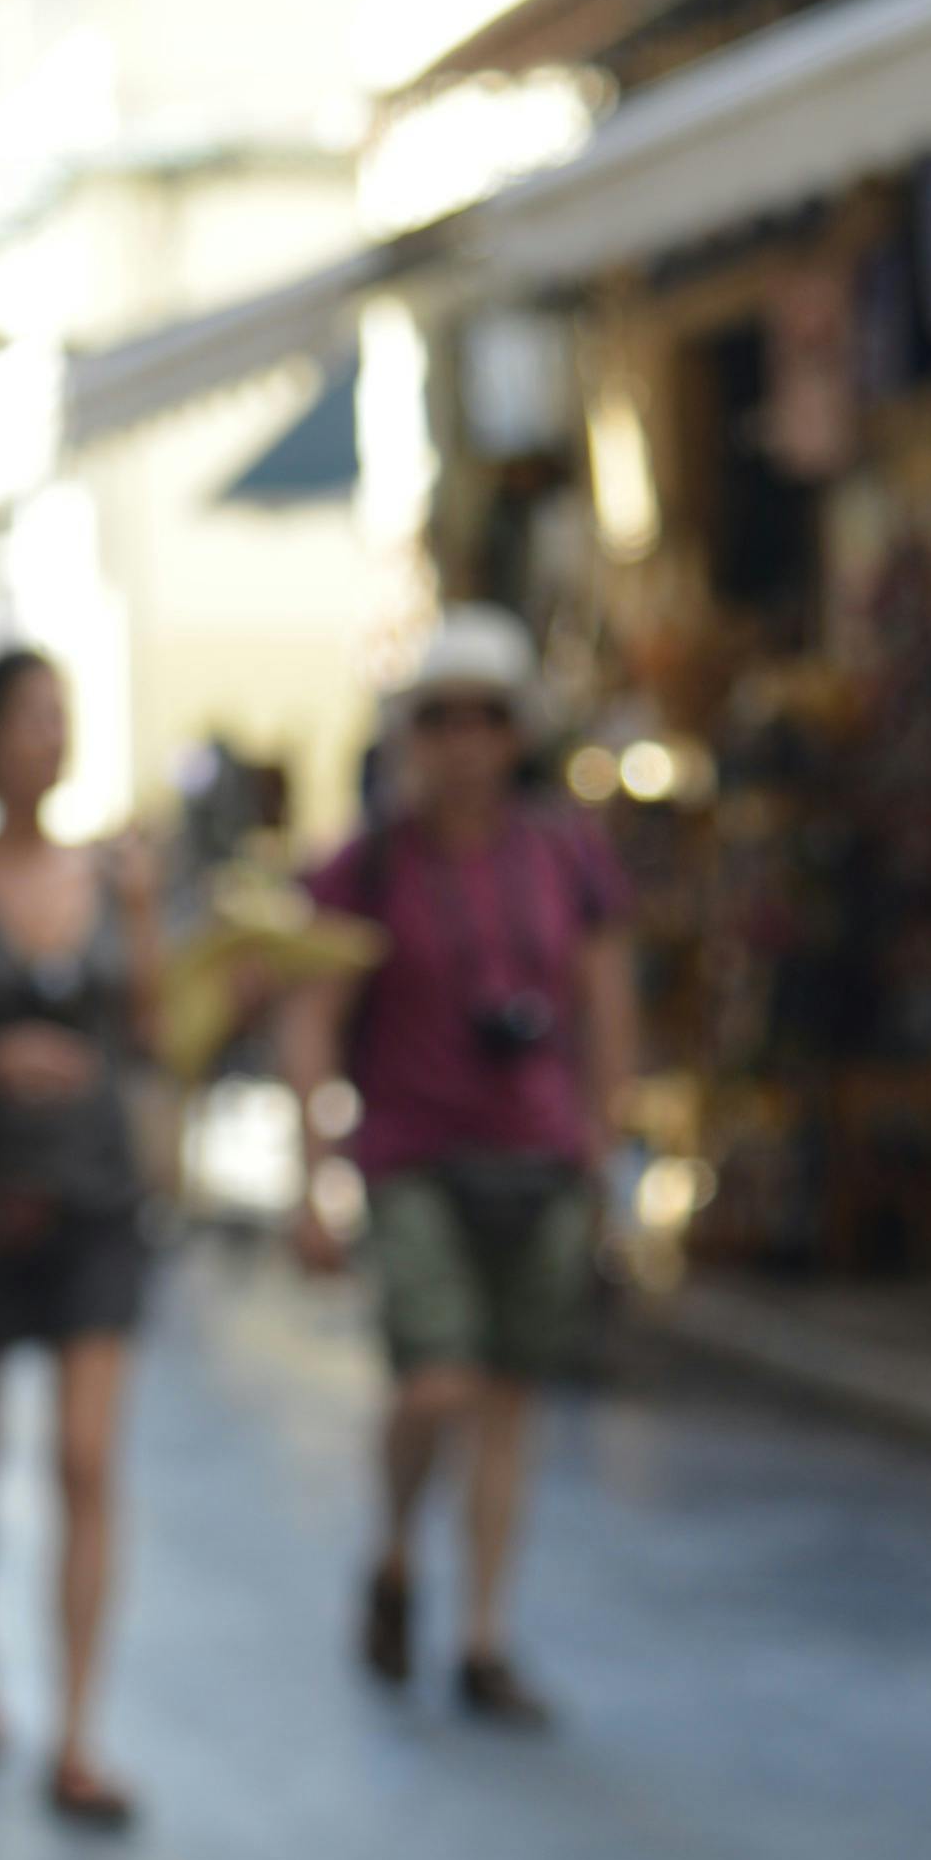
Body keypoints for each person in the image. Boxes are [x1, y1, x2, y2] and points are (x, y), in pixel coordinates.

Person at [277, 605, 632, 1729]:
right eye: (441, 719)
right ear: (411, 733)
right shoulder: (368, 864)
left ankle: (482, 1638)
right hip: (415, 1156)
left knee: (509, 1404)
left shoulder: (565, 854)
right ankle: (393, 1550)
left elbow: (605, 1003)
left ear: (516, 731)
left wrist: (606, 1146)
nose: (465, 742)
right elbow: (311, 1019)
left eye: (487, 718)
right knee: (435, 1380)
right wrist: (311, 1176)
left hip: (538, 1155)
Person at [0, 648, 164, 1828]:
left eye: (61, 717)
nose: (48, 739)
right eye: (27, 719)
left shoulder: (112, 875)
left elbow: (152, 1027)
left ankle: (78, 1730)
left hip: (96, 1198)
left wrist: (149, 920)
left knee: (87, 1461)